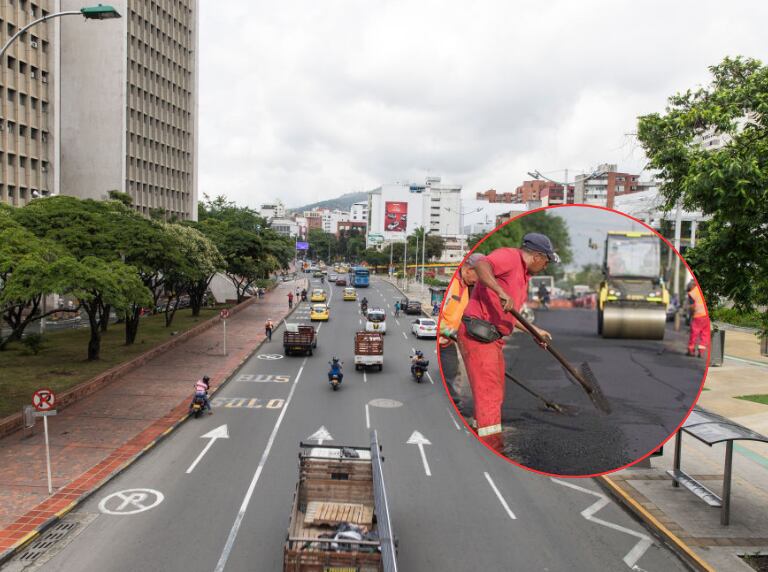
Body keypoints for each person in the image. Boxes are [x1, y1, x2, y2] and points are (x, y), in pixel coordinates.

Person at [457, 233, 558, 452]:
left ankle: (479, 432)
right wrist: (500, 291)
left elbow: (509, 314)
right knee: (490, 394)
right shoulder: (510, 258)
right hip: (478, 335)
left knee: (495, 391)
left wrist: (534, 331)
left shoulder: (523, 275)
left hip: (492, 339)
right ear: (537, 256)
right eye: (547, 261)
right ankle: (492, 447)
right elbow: (483, 264)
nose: (546, 266)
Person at [439, 253, 485, 410]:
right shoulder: (451, 287)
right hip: (441, 340)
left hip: (448, 341)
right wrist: (451, 332)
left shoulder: (468, 287)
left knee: (453, 373)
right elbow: (437, 318)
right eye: (478, 275)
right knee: (450, 375)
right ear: (468, 270)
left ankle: (454, 405)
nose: (479, 280)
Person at [686, 281, 709, 357]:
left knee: (694, 333)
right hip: (706, 316)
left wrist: (691, 315)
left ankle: (691, 351)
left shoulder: (692, 293)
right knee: (705, 334)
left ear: (691, 287)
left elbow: (692, 306)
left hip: (698, 315)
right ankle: (701, 352)